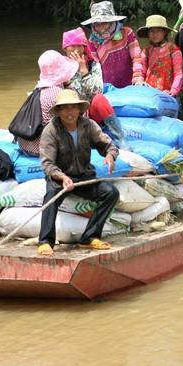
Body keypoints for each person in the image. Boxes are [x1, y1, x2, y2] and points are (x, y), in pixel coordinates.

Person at [36, 89, 120, 255]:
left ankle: (89, 237)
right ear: (59, 111)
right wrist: (62, 177)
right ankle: (45, 241)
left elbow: (109, 146)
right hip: (60, 178)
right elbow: (47, 163)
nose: (70, 112)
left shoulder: (88, 126)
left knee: (111, 193)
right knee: (51, 197)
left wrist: (110, 157)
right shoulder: (51, 130)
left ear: (79, 110)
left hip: (84, 177)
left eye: (73, 107)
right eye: (65, 108)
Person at [61, 27, 128, 146]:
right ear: (65, 48)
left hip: (88, 111)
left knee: (99, 98)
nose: (77, 50)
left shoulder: (93, 64)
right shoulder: (60, 66)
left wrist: (84, 71)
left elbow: (98, 90)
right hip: (67, 111)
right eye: (73, 46)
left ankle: (121, 139)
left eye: (80, 46)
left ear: (84, 47)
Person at [16, 51, 80, 157]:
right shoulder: (59, 95)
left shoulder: (37, 89)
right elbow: (79, 114)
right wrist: (68, 83)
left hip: (25, 146)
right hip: (42, 150)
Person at [82, 1, 144, 89]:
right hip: (107, 88)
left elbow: (137, 57)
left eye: (104, 23)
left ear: (112, 21)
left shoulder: (126, 33)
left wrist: (137, 79)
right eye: (97, 24)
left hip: (131, 85)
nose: (101, 28)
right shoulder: (93, 41)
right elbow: (95, 67)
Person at [137, 15, 183, 96]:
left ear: (164, 32)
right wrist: (140, 84)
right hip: (150, 93)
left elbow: (178, 73)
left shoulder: (173, 50)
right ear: (147, 33)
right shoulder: (146, 52)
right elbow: (142, 72)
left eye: (158, 31)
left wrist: (174, 91)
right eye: (151, 31)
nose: (155, 34)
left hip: (169, 93)